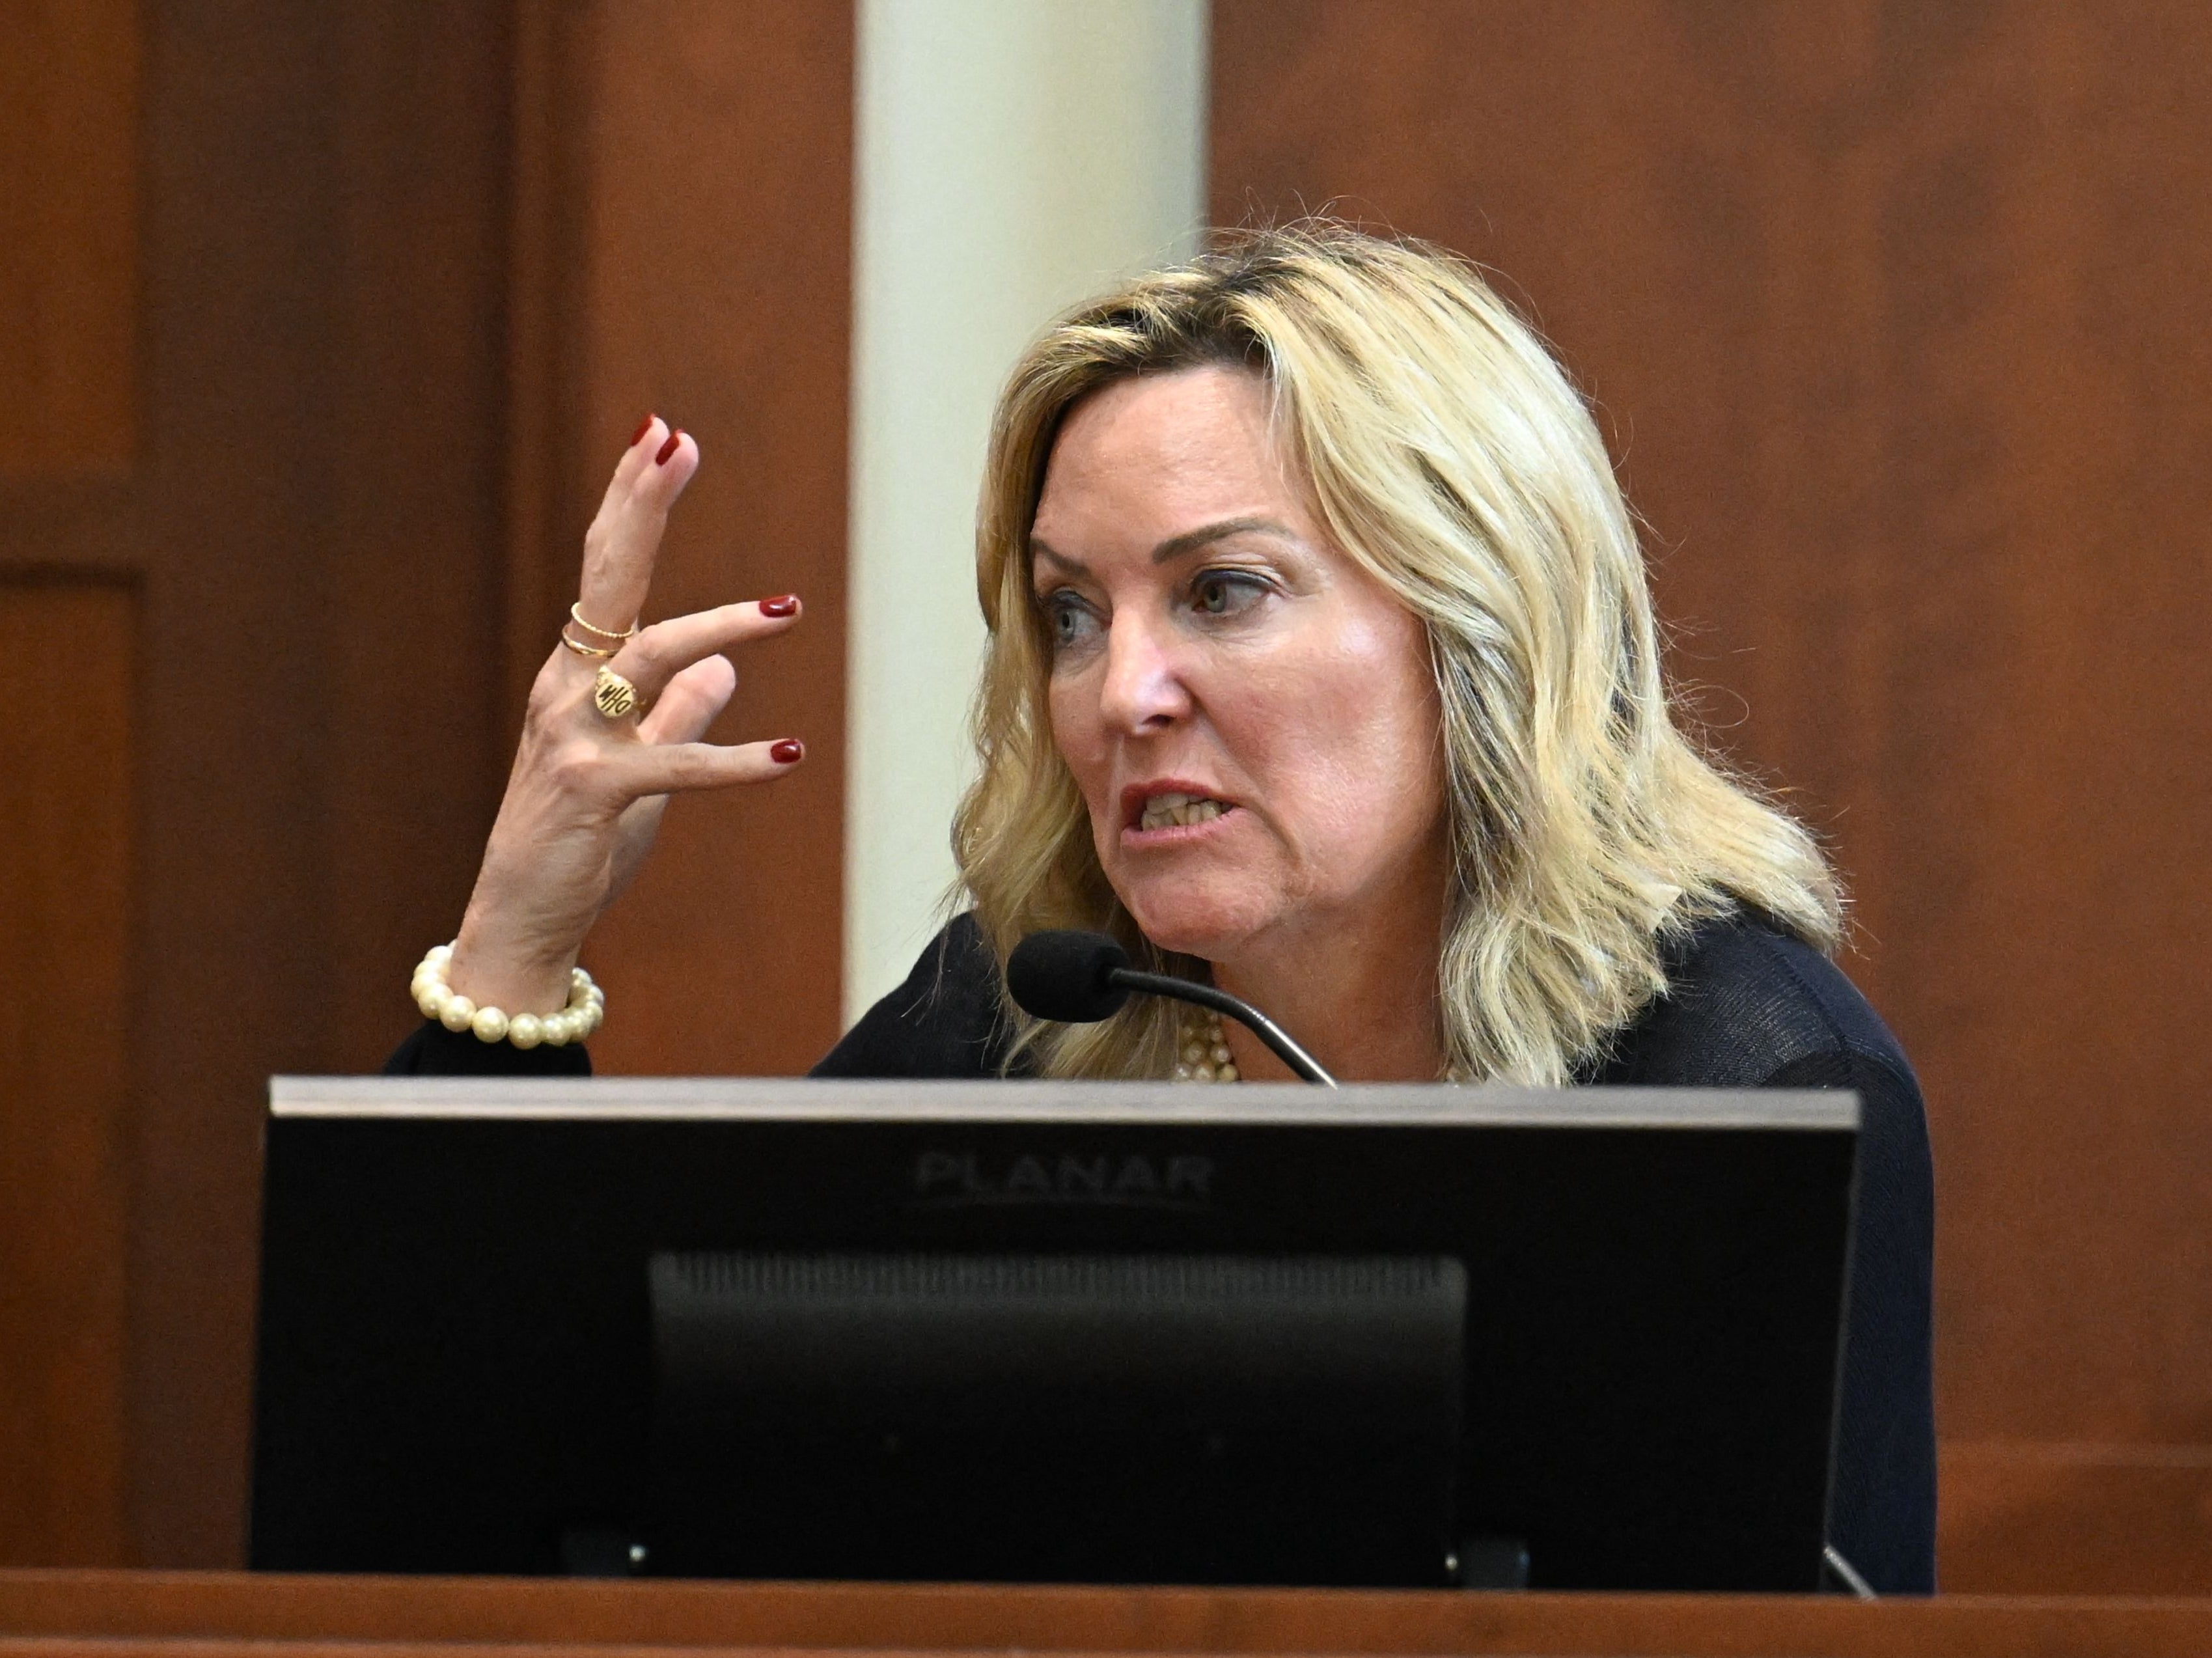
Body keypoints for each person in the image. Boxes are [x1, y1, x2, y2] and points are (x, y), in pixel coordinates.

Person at [389, 224, 1935, 1590]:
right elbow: (497, 1520)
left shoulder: (1747, 1091)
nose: (1119, 691)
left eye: (1221, 592)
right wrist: (517, 940)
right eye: (1072, 613)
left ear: (1481, 625)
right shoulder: (1022, 1013)